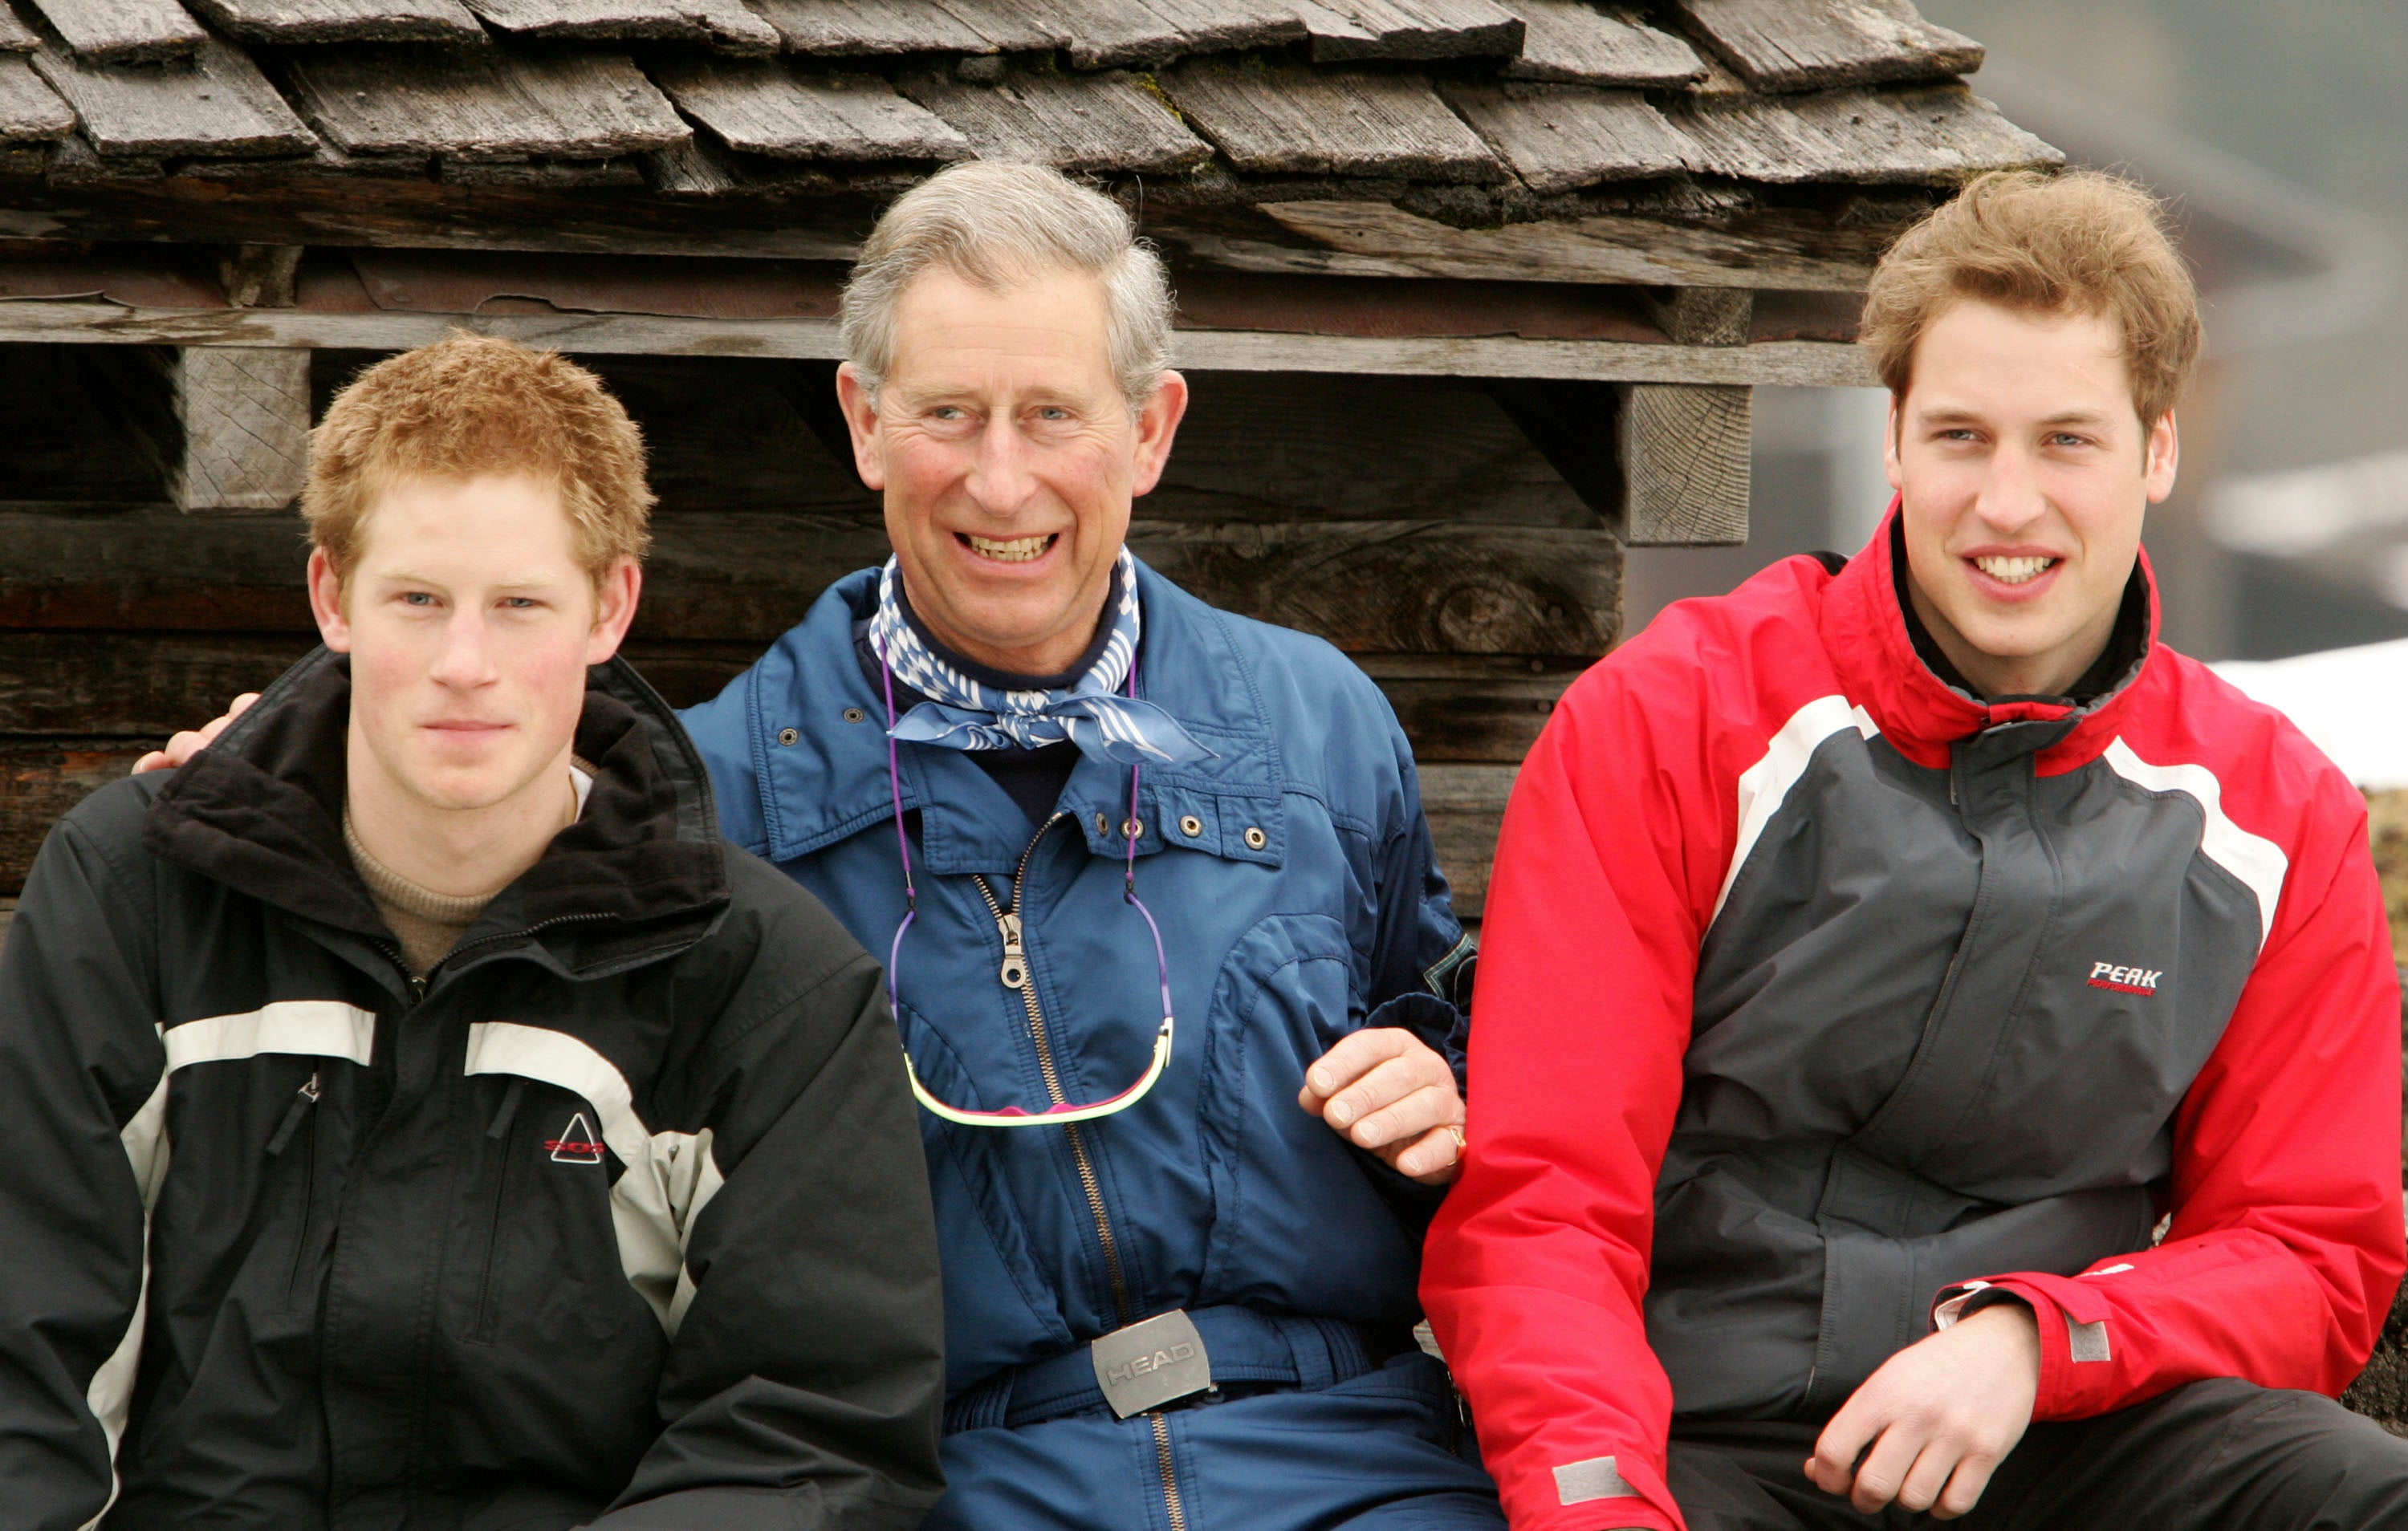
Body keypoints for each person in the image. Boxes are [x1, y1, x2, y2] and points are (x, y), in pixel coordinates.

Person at [137, 163, 1498, 1529]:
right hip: (950, 1477)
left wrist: (1446, 1093)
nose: (1000, 475)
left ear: (1149, 431)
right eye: (947, 415)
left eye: (1052, 416)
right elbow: (452, 822)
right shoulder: (706, 800)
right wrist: (286, 767)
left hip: (1350, 1453)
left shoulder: (1318, 722)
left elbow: (1453, 1030)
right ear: (862, 421)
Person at [1424, 169, 2408, 1531]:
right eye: (1962, 437)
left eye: (2068, 441)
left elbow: (2312, 1256)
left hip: (2064, 1429)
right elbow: (1545, 1209)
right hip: (1701, 1433)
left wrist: (2038, 1342)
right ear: (1892, 440)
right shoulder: (1678, 720)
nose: (2007, 505)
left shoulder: (2272, 811)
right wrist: (1596, 1504)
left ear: (2158, 450)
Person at [8, 334, 948, 1529]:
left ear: (609, 607)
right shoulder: (131, 894)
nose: (465, 664)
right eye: (417, 600)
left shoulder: (765, 983)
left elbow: (810, 1436)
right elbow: (21, 1364)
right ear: (330, 597)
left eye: (518, 606)